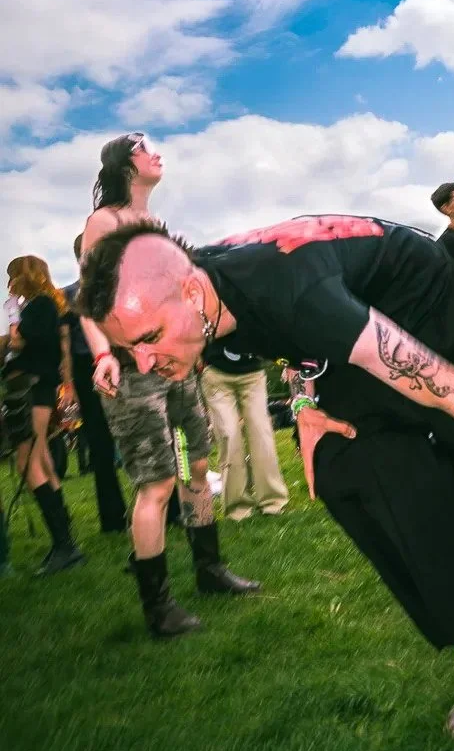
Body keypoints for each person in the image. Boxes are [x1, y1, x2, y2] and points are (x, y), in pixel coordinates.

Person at [77, 214, 454, 740]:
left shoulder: (292, 295)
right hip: (351, 317)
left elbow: (452, 390)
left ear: (189, 289)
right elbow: (287, 346)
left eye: (149, 338)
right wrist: (306, 408)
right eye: (130, 349)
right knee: (343, 465)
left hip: (423, 298)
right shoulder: (206, 299)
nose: (145, 364)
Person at [80, 133, 259, 638]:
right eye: (144, 147)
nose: (156, 152)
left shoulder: (155, 226)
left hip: (176, 370)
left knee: (194, 466)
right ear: (125, 165)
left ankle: (209, 569)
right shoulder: (105, 223)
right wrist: (101, 356)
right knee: (157, 483)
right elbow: (91, 303)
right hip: (132, 370)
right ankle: (158, 608)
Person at [3, 256, 84, 574]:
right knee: (44, 462)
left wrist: (12, 320)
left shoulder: (38, 306)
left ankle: (65, 546)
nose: (9, 283)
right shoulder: (48, 306)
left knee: (29, 461)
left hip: (33, 388)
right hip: (37, 387)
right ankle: (65, 541)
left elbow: (19, 340)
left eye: (12, 276)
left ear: (25, 276)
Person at [62, 234, 128, 533]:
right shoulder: (70, 295)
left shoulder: (108, 289)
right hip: (91, 367)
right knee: (105, 445)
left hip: (106, 364)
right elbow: (64, 344)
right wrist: (69, 385)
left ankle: (115, 519)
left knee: (105, 445)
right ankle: (115, 518)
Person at [201, 340, 288, 520]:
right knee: (230, 438)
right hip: (216, 374)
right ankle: (237, 509)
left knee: (262, 437)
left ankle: (273, 503)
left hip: (253, 374)